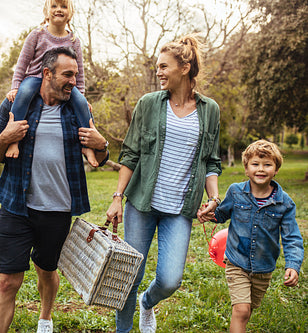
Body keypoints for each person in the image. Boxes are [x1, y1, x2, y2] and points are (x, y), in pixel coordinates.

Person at [0, 46, 109, 333]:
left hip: (57, 210)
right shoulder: (17, 105)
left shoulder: (78, 111)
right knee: (7, 282)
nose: (73, 82)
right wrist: (6, 137)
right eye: (67, 75)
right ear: (47, 73)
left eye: (76, 76)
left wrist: (101, 146)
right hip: (17, 206)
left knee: (46, 269)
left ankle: (45, 317)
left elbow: (99, 160)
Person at [105, 35, 222, 333]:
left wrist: (214, 197)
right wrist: (118, 197)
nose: (158, 72)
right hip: (142, 204)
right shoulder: (148, 104)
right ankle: (123, 330)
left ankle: (148, 302)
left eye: (163, 66)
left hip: (179, 209)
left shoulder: (210, 111)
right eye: (157, 66)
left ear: (184, 67)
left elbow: (211, 160)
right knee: (129, 275)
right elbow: (130, 154)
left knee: (170, 279)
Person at [201, 140, 304, 333]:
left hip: (263, 267)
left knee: (248, 309)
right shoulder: (235, 192)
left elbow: (292, 238)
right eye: (255, 164)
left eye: (267, 165)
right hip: (236, 261)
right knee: (241, 310)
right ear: (246, 169)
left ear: (276, 169)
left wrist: (293, 265)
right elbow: (222, 214)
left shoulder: (285, 203)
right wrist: (208, 214)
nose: (261, 169)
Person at [5, 0, 100, 168]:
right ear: (46, 11)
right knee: (23, 94)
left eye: (63, 6)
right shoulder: (37, 34)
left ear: (70, 12)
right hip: (35, 78)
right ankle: (14, 140)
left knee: (81, 104)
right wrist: (15, 86)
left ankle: (87, 145)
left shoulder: (74, 40)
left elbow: (79, 71)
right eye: (54, 6)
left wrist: (82, 95)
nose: (59, 10)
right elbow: (22, 63)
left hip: (62, 83)